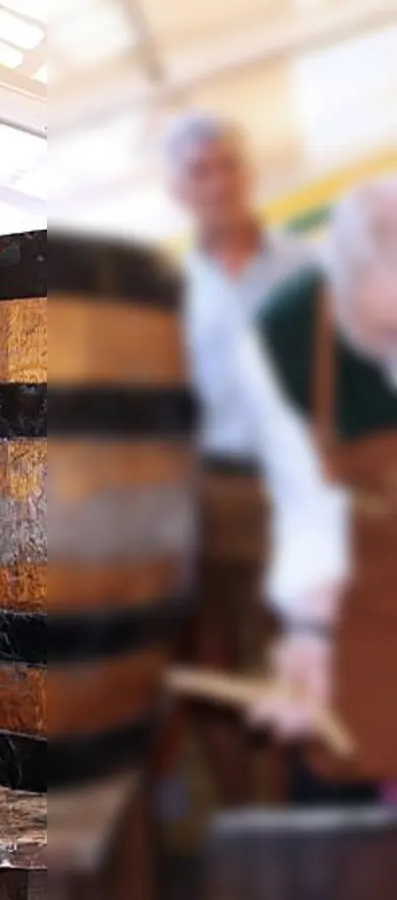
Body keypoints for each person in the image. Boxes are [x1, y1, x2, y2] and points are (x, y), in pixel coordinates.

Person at [162, 113, 315, 805]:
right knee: (212, 665)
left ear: (249, 175)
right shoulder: (172, 285)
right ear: (182, 189)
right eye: (200, 172)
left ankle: (297, 814)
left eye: (227, 166)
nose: (217, 183)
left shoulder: (307, 272)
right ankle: (242, 816)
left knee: (300, 656)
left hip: (296, 496)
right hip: (202, 490)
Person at [242, 177, 397, 803]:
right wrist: (309, 636)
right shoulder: (286, 334)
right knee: (339, 762)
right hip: (351, 585)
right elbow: (304, 506)